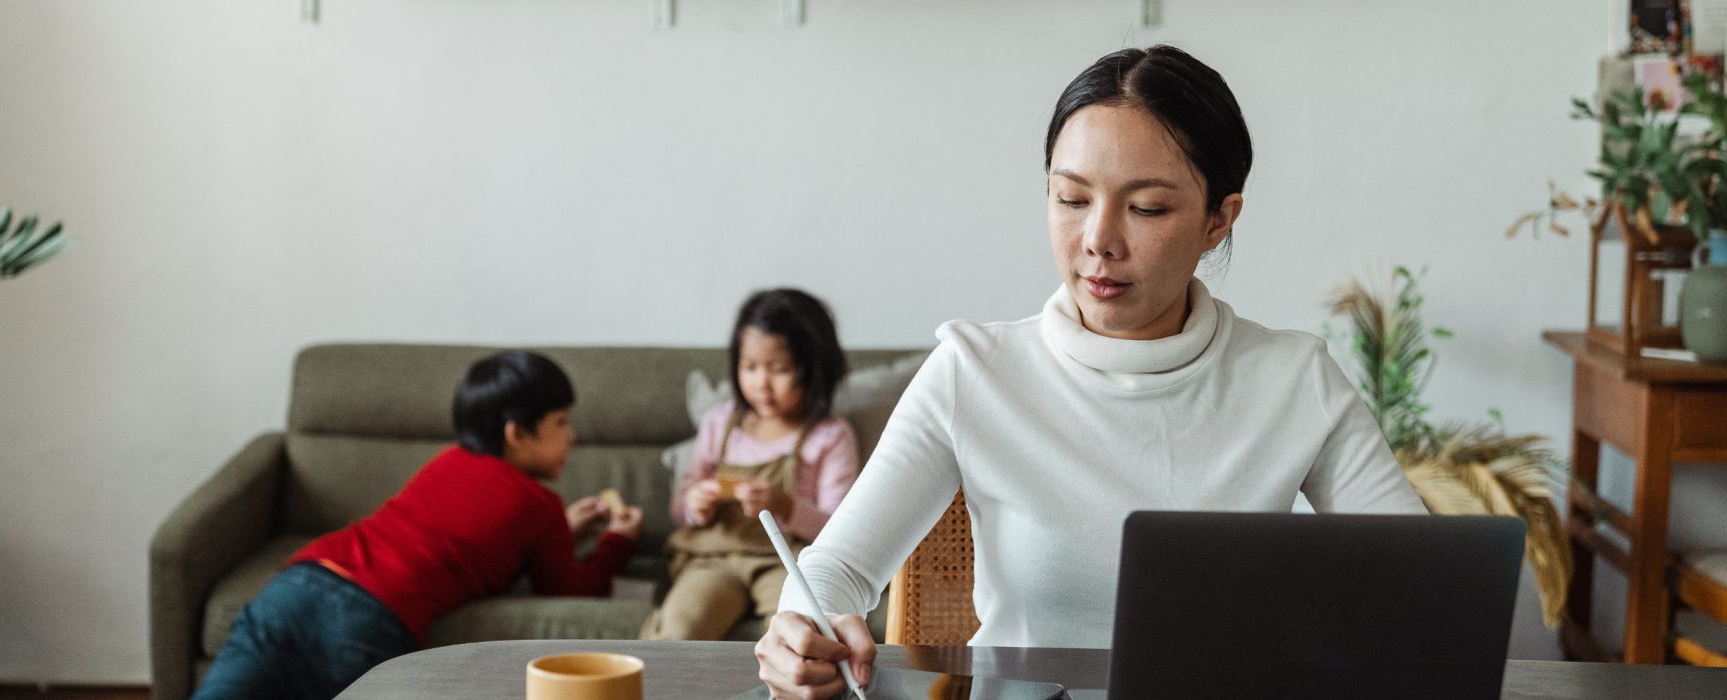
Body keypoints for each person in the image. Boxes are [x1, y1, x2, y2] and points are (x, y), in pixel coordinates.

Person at [753, 45, 1428, 698]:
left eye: (1147, 208)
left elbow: (1424, 581)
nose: (1099, 240)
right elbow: (835, 568)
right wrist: (803, 630)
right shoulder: (974, 372)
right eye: (1071, 199)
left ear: (1219, 219)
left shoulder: (1292, 378)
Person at [193, 351, 644, 700]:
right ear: (516, 434)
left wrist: (562, 531)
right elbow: (568, 590)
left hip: (299, 584)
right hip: (369, 618)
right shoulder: (540, 504)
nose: (573, 437)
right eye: (561, 423)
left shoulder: (449, 461)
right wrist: (615, 544)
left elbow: (458, 528)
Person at [640, 288, 861, 640]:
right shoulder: (719, 423)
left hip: (786, 562)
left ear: (813, 369)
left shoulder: (830, 436)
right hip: (714, 558)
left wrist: (785, 506)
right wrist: (696, 504)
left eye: (780, 369)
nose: (761, 383)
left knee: (800, 636)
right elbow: (680, 509)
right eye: (749, 367)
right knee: (677, 632)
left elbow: (841, 531)